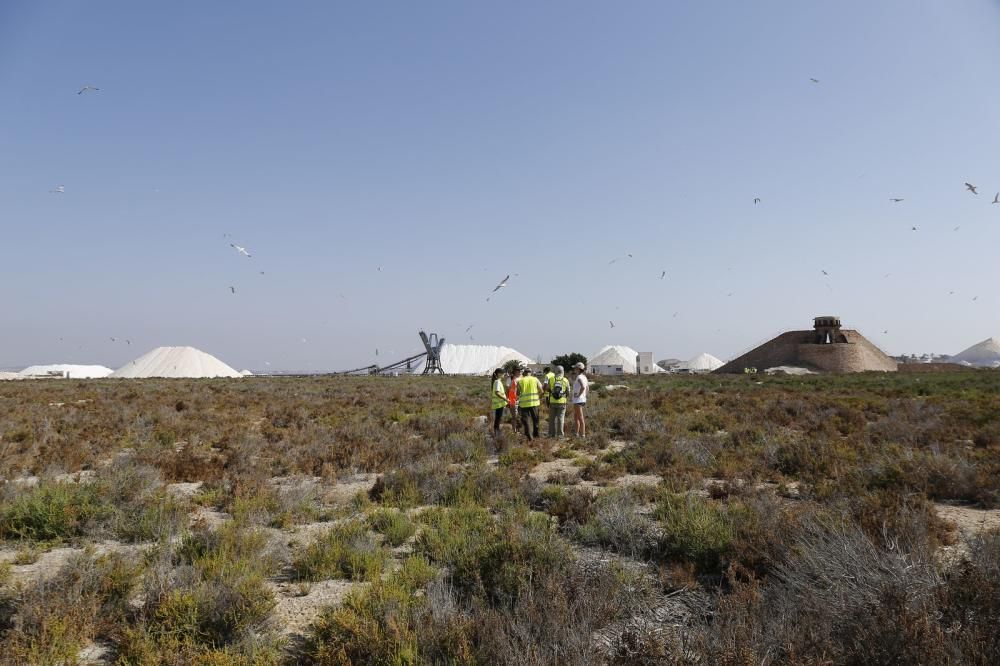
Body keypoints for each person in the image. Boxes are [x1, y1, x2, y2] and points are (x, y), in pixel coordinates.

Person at [517, 367, 543, 440]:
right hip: (534, 403)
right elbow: (542, 391)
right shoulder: (535, 379)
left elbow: (518, 393)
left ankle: (529, 437)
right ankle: (536, 434)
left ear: (524, 373)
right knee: (535, 419)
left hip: (524, 404)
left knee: (526, 420)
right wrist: (539, 398)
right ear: (531, 372)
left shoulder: (520, 381)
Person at [547, 365, 570, 438]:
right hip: (562, 402)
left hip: (552, 401)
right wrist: (565, 396)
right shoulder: (565, 380)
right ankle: (560, 435)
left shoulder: (551, 379)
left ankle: (551, 434)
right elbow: (568, 391)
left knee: (552, 419)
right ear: (562, 371)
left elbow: (547, 389)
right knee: (560, 418)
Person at [571, 361, 589, 438]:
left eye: (575, 368)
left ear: (578, 369)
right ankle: (576, 434)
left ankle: (583, 435)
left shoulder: (579, 377)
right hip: (582, 399)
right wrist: (584, 395)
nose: (574, 369)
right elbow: (587, 388)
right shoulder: (584, 377)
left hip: (578, 400)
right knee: (576, 417)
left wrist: (578, 395)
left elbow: (583, 387)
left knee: (580, 418)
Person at [490, 368, 507, 438]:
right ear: (499, 374)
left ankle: (497, 433)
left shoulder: (497, 381)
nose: (504, 374)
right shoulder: (497, 382)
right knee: (498, 419)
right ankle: (497, 434)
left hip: (499, 404)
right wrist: (505, 399)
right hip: (498, 404)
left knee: (498, 419)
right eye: (503, 373)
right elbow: (497, 392)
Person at [506, 367, 521, 433]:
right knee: (514, 416)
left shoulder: (522, 378)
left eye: (519, 371)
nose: (518, 372)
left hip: (522, 400)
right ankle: (514, 430)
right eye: (517, 371)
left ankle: (519, 429)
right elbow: (507, 389)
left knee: (520, 416)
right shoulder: (510, 379)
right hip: (513, 401)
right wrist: (507, 400)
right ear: (514, 372)